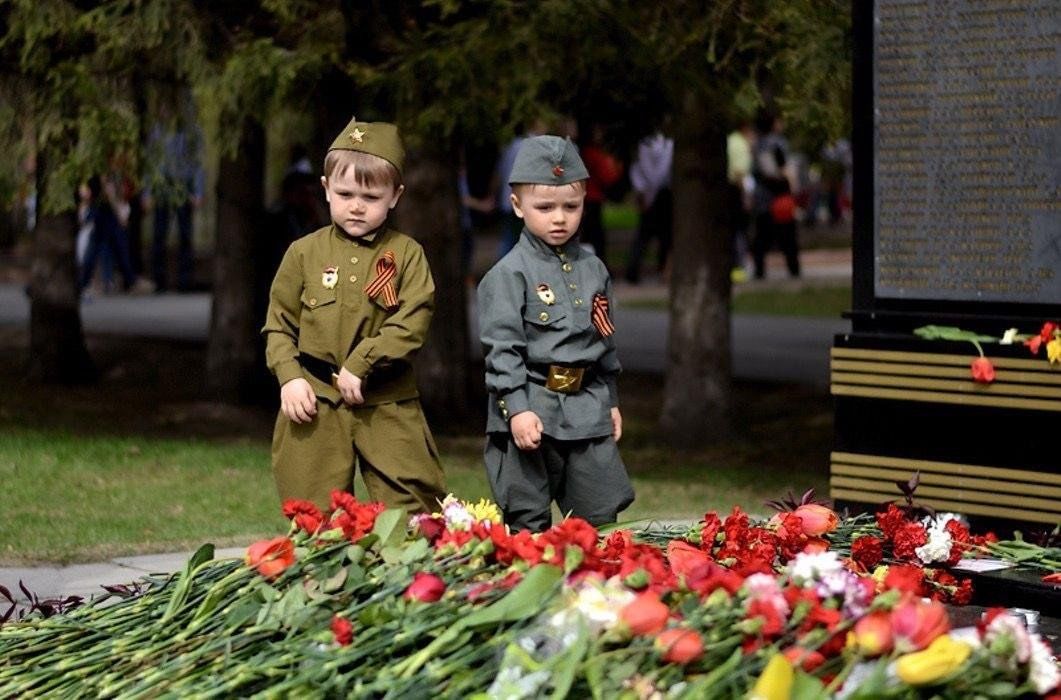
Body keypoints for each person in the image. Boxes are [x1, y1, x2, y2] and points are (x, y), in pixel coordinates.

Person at [262, 117, 447, 513]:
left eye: (371, 197)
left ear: (395, 196)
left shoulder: (408, 255)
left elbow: (412, 322)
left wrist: (363, 362)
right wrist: (289, 378)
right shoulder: (302, 253)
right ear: (326, 190)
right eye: (345, 193)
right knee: (313, 520)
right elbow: (278, 325)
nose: (357, 206)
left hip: (387, 400)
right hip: (314, 401)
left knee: (414, 515)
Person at [477, 135, 635, 532]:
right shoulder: (509, 274)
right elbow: (503, 350)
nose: (559, 218)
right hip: (533, 405)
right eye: (544, 207)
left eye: (571, 206)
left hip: (587, 407)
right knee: (527, 520)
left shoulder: (594, 269)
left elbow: (603, 342)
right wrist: (516, 407)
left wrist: (611, 400)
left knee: (598, 518)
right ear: (517, 206)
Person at [143, 122, 205, 292]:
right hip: (162, 185)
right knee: (159, 235)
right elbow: (151, 162)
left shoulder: (192, 130)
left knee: (185, 235)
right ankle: (158, 281)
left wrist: (198, 191)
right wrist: (148, 193)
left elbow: (198, 161)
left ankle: (185, 281)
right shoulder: (157, 131)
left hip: (184, 185)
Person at [751, 114, 800, 279]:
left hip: (763, 198)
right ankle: (793, 269)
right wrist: (791, 185)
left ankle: (759, 270)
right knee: (788, 237)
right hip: (779, 197)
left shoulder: (757, 144)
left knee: (762, 237)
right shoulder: (778, 143)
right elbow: (780, 169)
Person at [624, 131, 673, 285]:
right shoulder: (659, 143)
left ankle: (662, 270)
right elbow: (655, 171)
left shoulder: (658, 142)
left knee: (657, 235)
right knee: (649, 234)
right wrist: (648, 192)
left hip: (655, 193)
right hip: (655, 192)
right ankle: (637, 270)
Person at [578, 124, 624, 267]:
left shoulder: (583, 153)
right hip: (593, 198)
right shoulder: (594, 154)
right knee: (596, 236)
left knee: (587, 234)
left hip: (584, 197)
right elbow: (608, 176)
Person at [726, 121, 756, 282]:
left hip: (724, 191)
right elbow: (739, 173)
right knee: (739, 231)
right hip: (735, 192)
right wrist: (745, 196)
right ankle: (739, 267)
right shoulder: (740, 145)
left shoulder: (730, 140)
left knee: (729, 231)